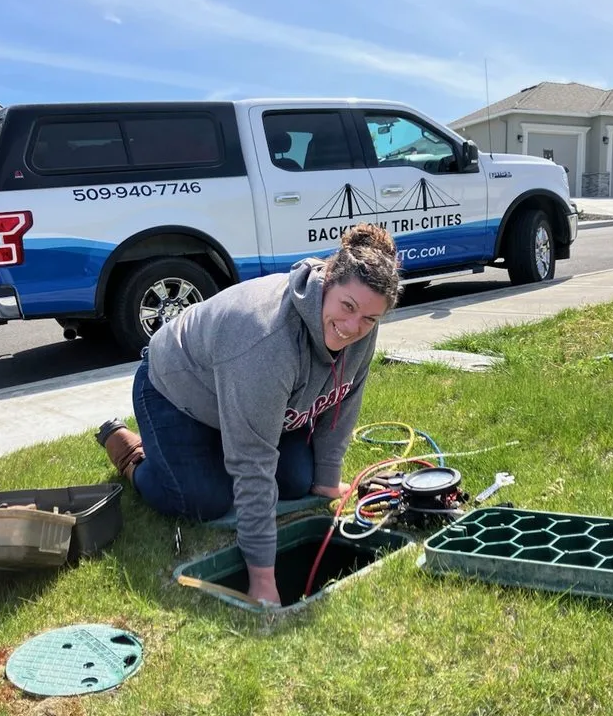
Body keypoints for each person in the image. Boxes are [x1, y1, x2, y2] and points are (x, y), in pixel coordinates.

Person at [96, 223, 401, 606]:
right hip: (177, 392)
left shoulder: (361, 325)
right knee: (203, 500)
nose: (353, 327)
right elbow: (252, 461)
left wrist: (326, 481)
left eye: (369, 319)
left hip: (245, 396)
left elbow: (343, 401)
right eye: (348, 307)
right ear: (327, 285)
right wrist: (262, 577)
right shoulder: (266, 339)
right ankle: (131, 454)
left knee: (295, 481)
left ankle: (216, 448)